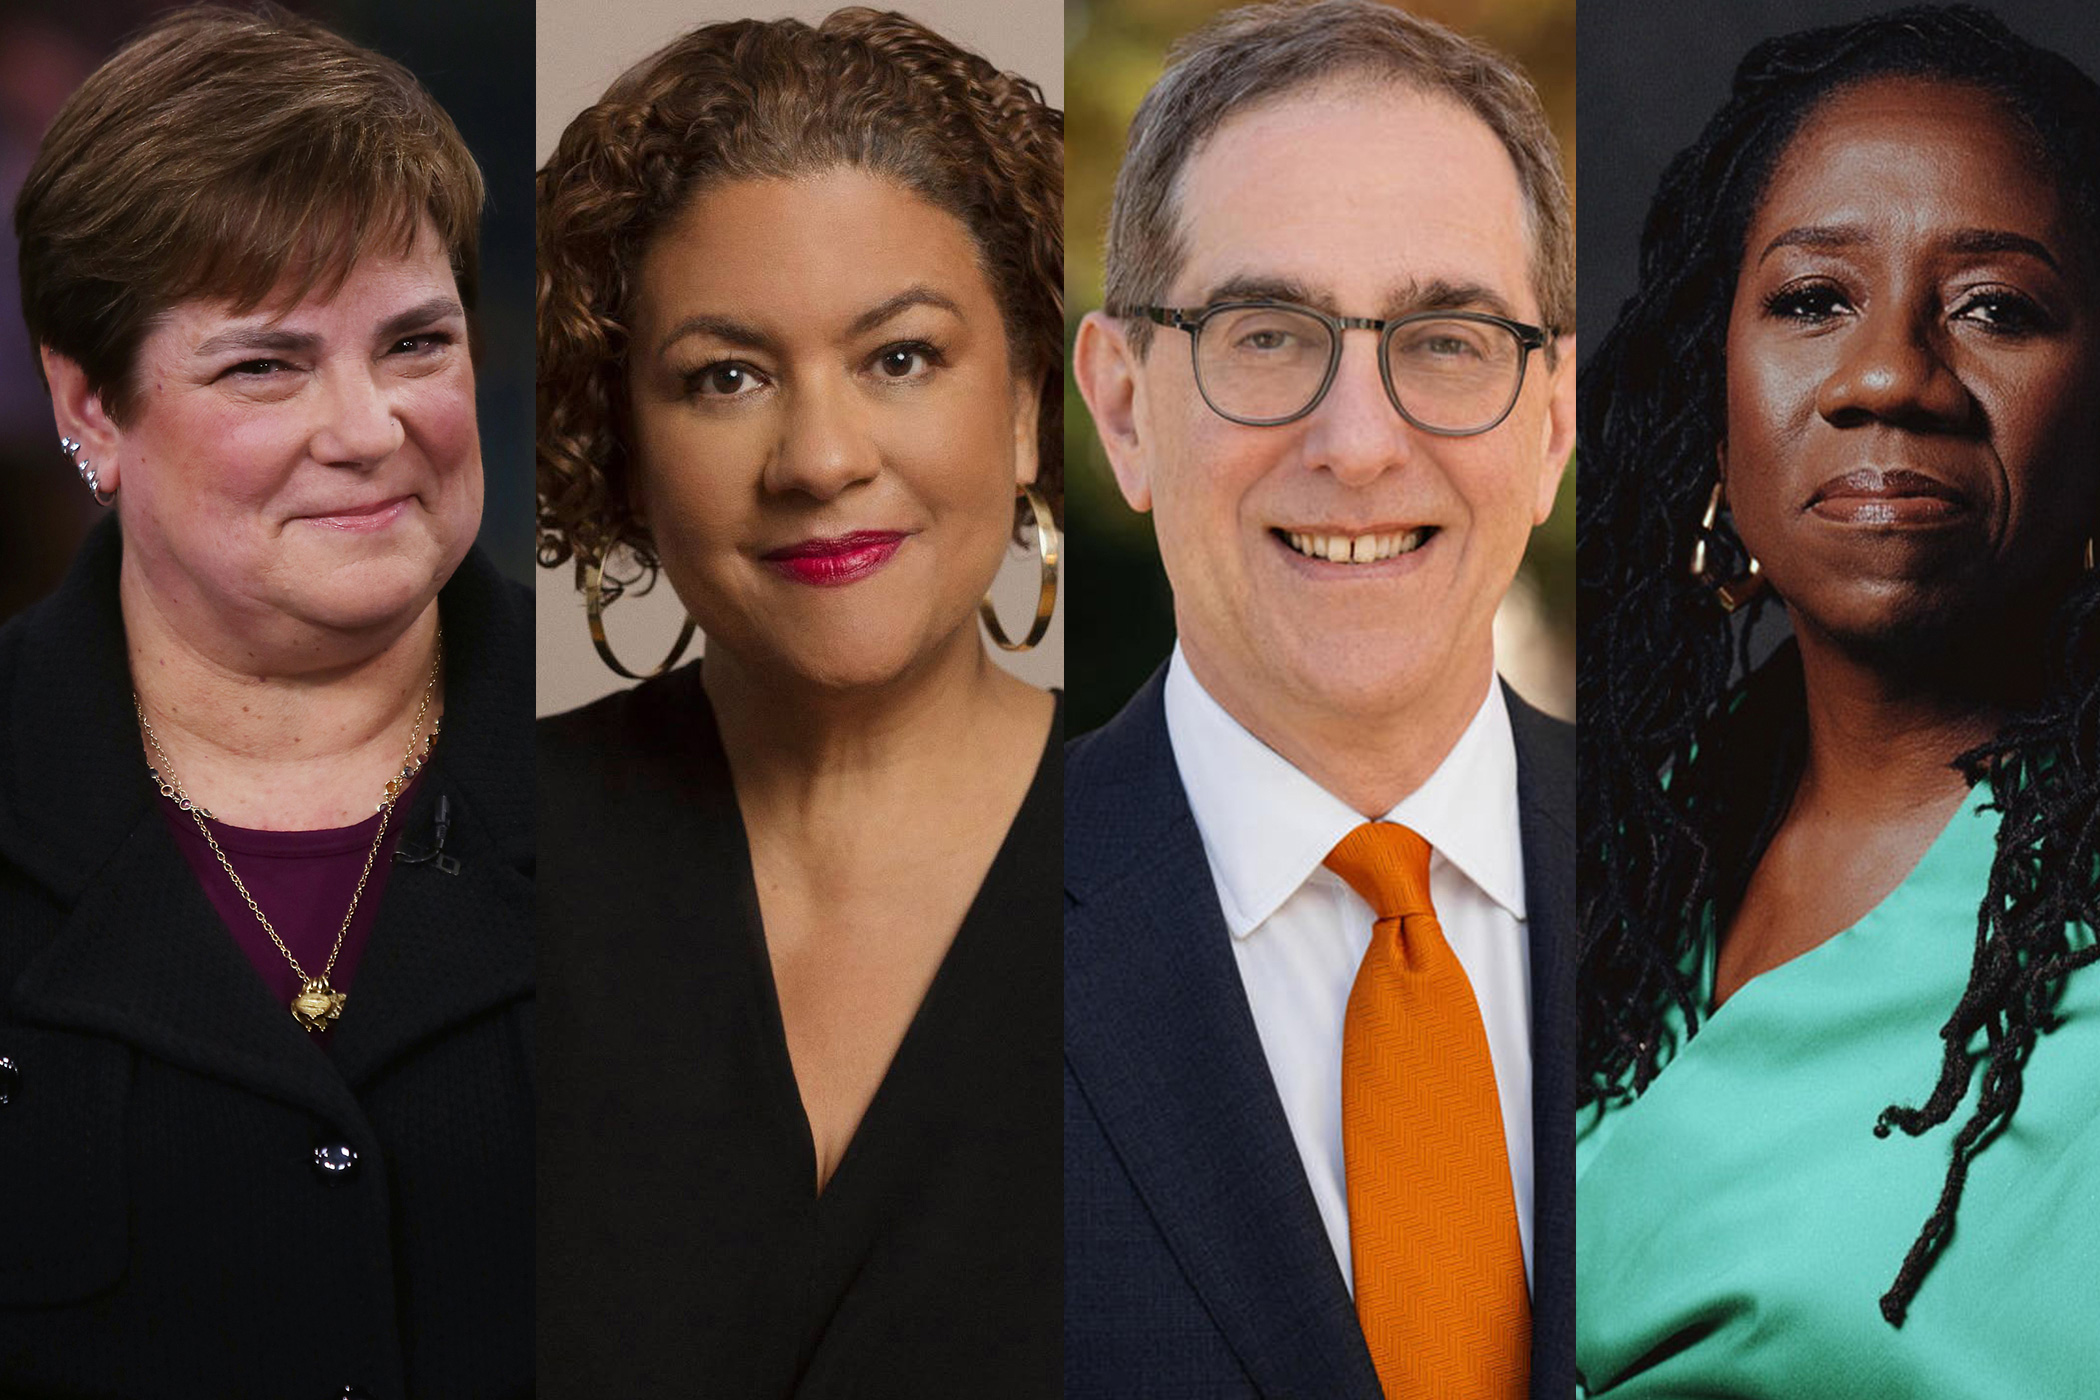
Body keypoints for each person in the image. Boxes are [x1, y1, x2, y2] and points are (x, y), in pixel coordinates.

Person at [0, 7, 533, 1399]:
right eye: (264, 363)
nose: (368, 429)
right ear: (92, 411)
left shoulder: (702, 789)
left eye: (416, 344)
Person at [533, 9, 1062, 1396]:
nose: (820, 458)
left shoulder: (1193, 851)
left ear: (1024, 405)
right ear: (625, 452)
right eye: (727, 378)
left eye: (900, 357)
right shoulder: (465, 853)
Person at [1577, 7, 2100, 1395]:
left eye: (1997, 308)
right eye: (1813, 299)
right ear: (1715, 401)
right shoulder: (1616, 880)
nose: (1888, 378)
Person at [1066, 2, 1576, 1395]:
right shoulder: (922, 962)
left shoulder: (1745, 888)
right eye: (1267, 334)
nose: (1358, 443)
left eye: (1451, 339)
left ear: (1552, 424)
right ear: (1122, 409)